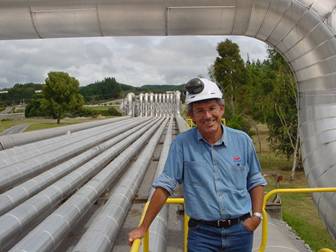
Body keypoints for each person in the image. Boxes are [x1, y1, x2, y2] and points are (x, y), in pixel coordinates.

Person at [128, 78, 267, 251]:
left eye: (212, 109)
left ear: (221, 110)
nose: (207, 116)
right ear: (191, 116)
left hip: (240, 231)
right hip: (202, 236)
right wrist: (143, 227)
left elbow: (255, 180)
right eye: (200, 111)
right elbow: (164, 186)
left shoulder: (242, 141)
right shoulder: (182, 144)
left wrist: (257, 216)